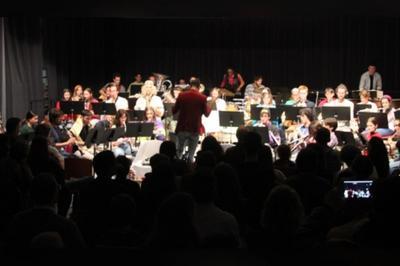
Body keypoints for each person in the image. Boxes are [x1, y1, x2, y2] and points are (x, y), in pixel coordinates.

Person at [173, 78, 211, 162]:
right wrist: (209, 104)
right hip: (194, 129)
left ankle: (177, 171)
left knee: (178, 153)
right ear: (199, 86)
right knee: (191, 155)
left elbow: (174, 111)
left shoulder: (181, 95)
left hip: (182, 127)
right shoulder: (202, 97)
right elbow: (207, 114)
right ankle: (189, 171)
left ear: (190, 85)